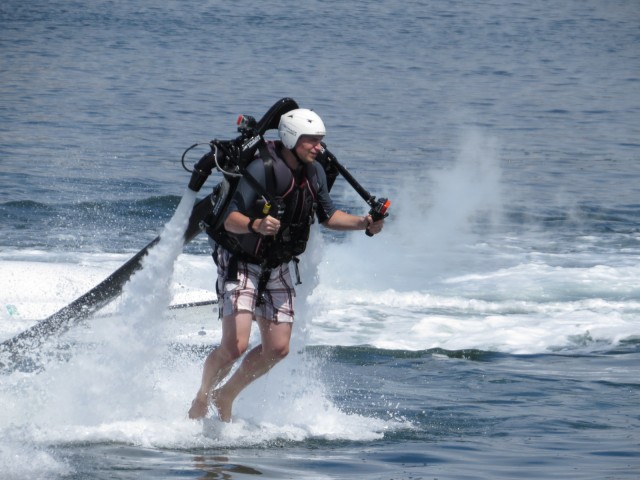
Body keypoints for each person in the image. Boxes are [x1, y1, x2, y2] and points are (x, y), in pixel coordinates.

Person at [188, 108, 384, 422]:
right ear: (292, 138)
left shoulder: (315, 172)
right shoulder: (264, 168)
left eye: (321, 141)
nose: (319, 147)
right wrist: (256, 225)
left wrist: (364, 223)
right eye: (313, 141)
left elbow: (329, 216)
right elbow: (229, 220)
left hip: (277, 266)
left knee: (278, 348)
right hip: (241, 260)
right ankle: (202, 395)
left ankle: (225, 395)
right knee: (235, 345)